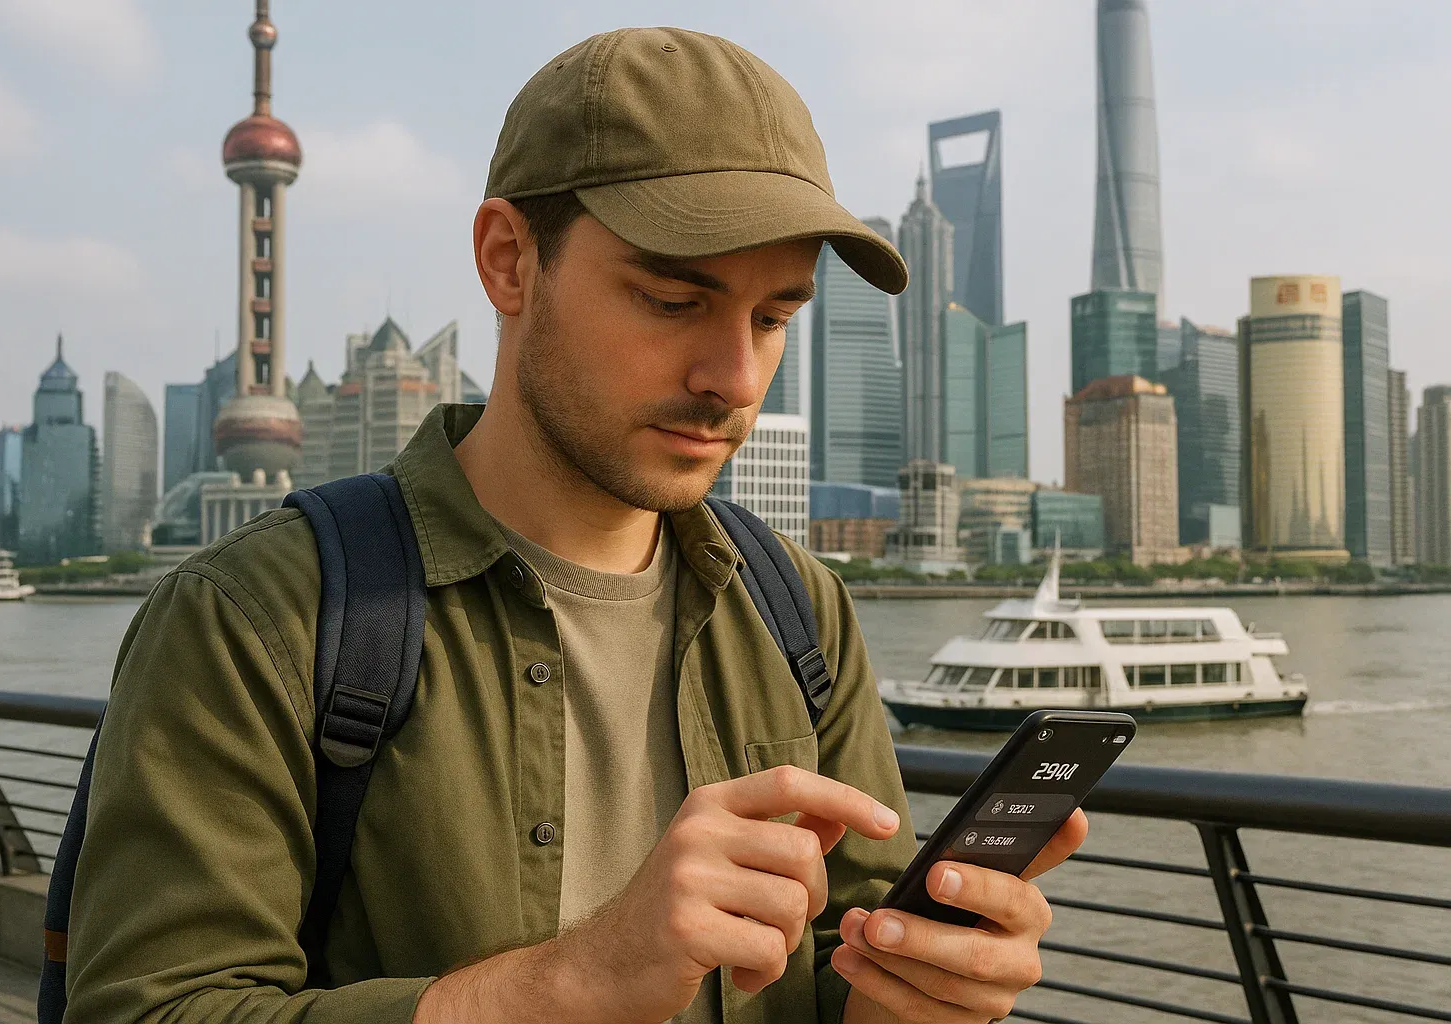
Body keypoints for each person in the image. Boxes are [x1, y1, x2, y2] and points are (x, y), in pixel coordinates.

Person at [63, 26, 1087, 1024]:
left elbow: (839, 975)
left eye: (774, 318)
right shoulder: (259, 619)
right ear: (510, 261)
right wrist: (571, 983)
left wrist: (923, 993)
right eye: (671, 298)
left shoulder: (798, 610)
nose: (735, 378)